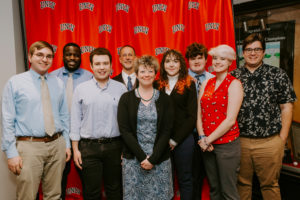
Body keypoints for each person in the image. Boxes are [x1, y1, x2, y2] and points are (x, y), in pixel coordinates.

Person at [1, 40, 71, 200]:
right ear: (30, 57)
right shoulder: (15, 83)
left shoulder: (58, 83)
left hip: (57, 144)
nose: (44, 59)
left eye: (49, 56)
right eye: (39, 55)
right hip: (29, 147)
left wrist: (66, 144)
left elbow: (64, 116)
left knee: (54, 195)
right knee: (27, 196)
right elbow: (7, 120)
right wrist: (11, 153)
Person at [231, 33, 296, 200]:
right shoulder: (233, 77)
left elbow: (287, 106)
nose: (253, 53)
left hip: (270, 142)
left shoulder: (278, 75)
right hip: (240, 142)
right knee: (242, 184)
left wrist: (282, 139)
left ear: (263, 51)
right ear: (242, 52)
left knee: (270, 185)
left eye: (257, 49)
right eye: (248, 49)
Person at [70, 47, 126, 200]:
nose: (102, 67)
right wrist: (75, 149)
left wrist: (125, 148)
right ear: (91, 66)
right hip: (88, 148)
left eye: (105, 63)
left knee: (114, 191)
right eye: (98, 64)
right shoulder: (81, 89)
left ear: (111, 65)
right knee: (91, 192)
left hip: (115, 146)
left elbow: (126, 122)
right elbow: (75, 120)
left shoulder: (121, 88)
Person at [118, 55, 174, 200]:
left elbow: (166, 131)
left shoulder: (165, 99)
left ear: (155, 74)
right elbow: (125, 131)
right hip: (134, 160)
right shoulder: (126, 98)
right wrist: (143, 157)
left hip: (159, 159)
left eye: (150, 71)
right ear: (136, 74)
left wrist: (153, 159)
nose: (146, 75)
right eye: (142, 71)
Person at [197, 45, 243, 200]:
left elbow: (230, 120)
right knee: (214, 189)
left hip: (227, 145)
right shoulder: (206, 83)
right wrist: (202, 137)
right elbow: (199, 114)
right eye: (215, 58)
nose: (217, 62)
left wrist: (208, 139)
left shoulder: (234, 84)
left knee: (228, 192)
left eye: (222, 59)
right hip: (207, 145)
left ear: (230, 62)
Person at [51, 42, 92, 199]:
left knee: (88, 178)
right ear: (63, 56)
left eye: (76, 54)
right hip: (59, 135)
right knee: (58, 177)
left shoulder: (89, 77)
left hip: (83, 136)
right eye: (69, 54)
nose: (72, 58)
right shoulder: (52, 77)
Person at [157, 49, 197, 200]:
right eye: (168, 61)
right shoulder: (156, 85)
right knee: (164, 179)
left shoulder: (189, 84)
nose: (171, 64)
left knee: (185, 178)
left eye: (175, 61)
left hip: (183, 140)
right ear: (163, 65)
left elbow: (192, 117)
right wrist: (163, 139)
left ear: (181, 65)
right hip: (161, 141)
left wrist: (175, 140)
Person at [185, 42, 214, 200]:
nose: (196, 61)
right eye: (192, 58)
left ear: (206, 60)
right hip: (188, 135)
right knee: (191, 177)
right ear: (187, 61)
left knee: (212, 176)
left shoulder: (213, 79)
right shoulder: (182, 79)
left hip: (210, 135)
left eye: (199, 57)